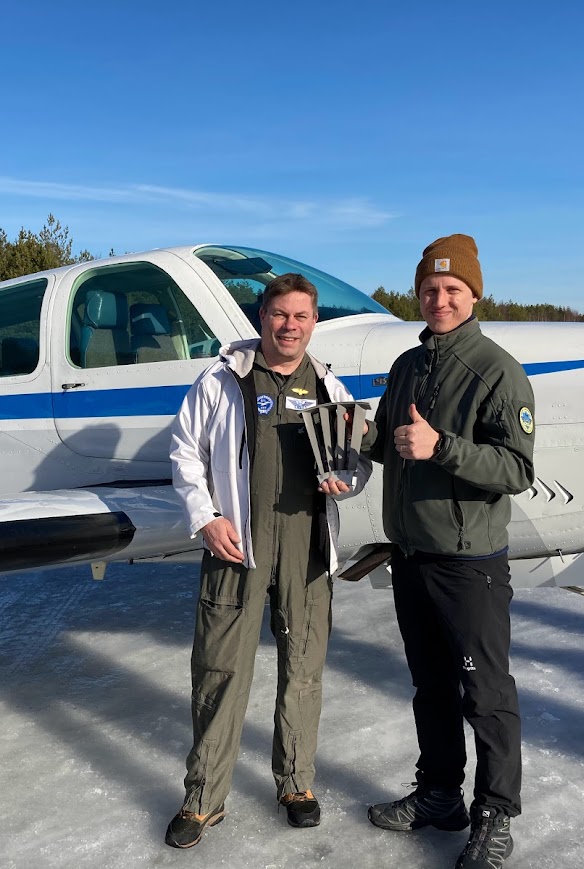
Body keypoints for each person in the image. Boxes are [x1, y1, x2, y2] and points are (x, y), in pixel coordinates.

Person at [166, 272, 371, 849]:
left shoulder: (329, 386)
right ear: (263, 319)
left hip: (305, 547)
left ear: (313, 323)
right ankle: (204, 797)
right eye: (280, 315)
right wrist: (206, 518)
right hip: (238, 546)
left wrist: (348, 481)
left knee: (303, 670)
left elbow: (355, 458)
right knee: (221, 669)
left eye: (301, 316)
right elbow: (185, 451)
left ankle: (296, 784)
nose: (290, 326)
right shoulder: (223, 378)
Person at [365, 234, 535, 869]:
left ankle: (495, 815)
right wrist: (350, 436)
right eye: (430, 290)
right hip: (411, 553)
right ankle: (440, 794)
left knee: (484, 694)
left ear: (473, 295)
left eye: (452, 290)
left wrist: (443, 448)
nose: (439, 299)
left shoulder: (495, 369)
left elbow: (517, 468)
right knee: (430, 686)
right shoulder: (411, 365)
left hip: (468, 562)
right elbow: (389, 440)